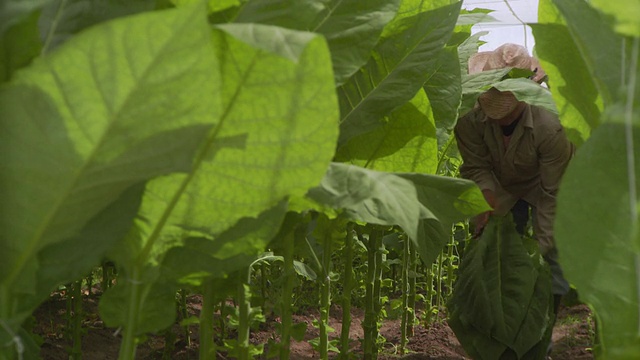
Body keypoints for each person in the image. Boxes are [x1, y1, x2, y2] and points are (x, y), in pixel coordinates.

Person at [454, 43, 573, 357]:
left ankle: (540, 342)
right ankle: (498, 341)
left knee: (552, 261)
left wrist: (544, 250)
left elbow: (552, 196)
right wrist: (485, 199)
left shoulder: (550, 126)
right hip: (501, 187)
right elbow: (476, 165)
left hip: (545, 186)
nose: (496, 116)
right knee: (493, 254)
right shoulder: (469, 121)